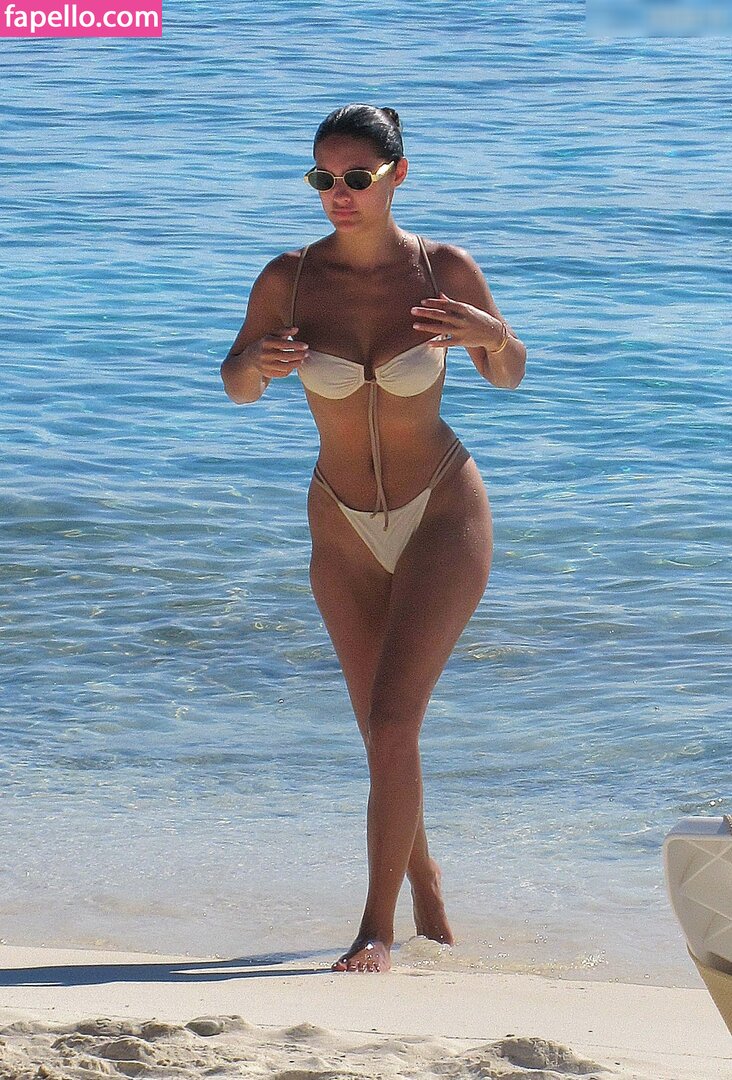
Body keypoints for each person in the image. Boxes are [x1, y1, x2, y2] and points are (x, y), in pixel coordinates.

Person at [220, 104, 526, 973]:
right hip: (340, 521)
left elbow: (508, 374)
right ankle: (426, 883)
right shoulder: (289, 280)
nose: (339, 194)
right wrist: (257, 367)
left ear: (398, 175)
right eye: (323, 178)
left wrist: (492, 335)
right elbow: (236, 383)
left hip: (442, 510)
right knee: (378, 730)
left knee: (394, 718)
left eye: (357, 177)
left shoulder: (442, 269)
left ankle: (375, 928)